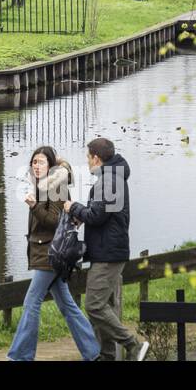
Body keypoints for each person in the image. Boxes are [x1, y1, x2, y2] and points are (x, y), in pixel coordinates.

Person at [7, 146, 101, 362]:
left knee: (32, 302)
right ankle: (93, 351)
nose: (35, 165)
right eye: (33, 162)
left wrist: (33, 207)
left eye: (40, 162)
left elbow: (56, 222)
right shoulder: (42, 187)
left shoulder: (55, 187)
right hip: (47, 253)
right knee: (67, 305)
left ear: (50, 166)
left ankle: (20, 356)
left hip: (50, 254)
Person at [65, 137, 149, 361]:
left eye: (87, 157)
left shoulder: (109, 179)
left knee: (94, 306)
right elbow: (102, 211)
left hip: (108, 253)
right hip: (109, 250)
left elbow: (98, 215)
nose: (87, 162)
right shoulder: (112, 177)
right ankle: (106, 355)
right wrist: (85, 213)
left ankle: (134, 346)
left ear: (96, 157)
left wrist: (73, 207)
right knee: (105, 307)